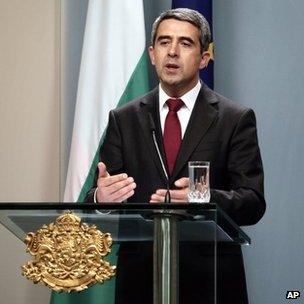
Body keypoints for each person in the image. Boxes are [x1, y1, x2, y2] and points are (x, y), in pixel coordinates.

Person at [86, 8, 266, 304]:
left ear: (205, 58)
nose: (172, 51)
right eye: (164, 42)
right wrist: (100, 198)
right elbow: (98, 196)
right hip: (141, 279)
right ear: (152, 53)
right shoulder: (123, 118)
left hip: (212, 280)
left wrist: (205, 200)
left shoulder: (235, 118)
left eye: (185, 43)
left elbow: (253, 202)